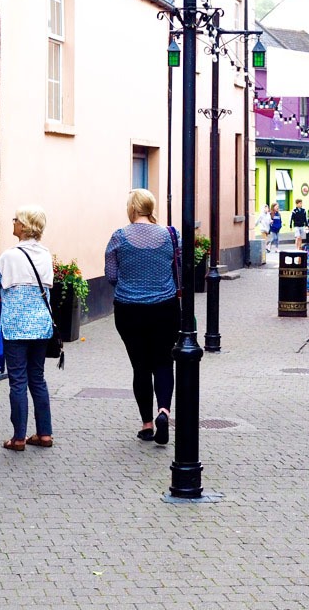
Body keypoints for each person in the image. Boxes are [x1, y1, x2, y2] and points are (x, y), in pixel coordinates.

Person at [105, 188, 179, 445]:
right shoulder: (171, 235)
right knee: (163, 363)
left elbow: (111, 275)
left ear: (132, 208)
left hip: (129, 310)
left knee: (140, 367)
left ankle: (147, 424)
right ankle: (164, 411)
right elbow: (179, 267)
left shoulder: (119, 237)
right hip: (165, 308)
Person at [0, 205, 55, 452]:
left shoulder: (10, 256)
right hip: (40, 326)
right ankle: (45, 434)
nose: (12, 223)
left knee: (17, 381)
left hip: (15, 327)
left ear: (24, 226)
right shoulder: (46, 255)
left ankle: (18, 438)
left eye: (15, 220)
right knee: (37, 378)